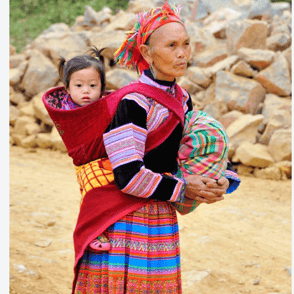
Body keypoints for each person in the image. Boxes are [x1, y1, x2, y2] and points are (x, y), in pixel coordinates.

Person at [42, 2, 240, 293]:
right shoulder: (133, 102)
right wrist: (184, 189)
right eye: (171, 45)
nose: (182, 53)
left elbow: (179, 156)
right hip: (121, 220)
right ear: (147, 53)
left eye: (186, 44)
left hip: (160, 219)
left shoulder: (181, 99)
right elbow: (128, 175)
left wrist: (218, 178)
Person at [57, 47, 111, 251]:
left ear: (102, 88)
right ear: (68, 89)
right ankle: (91, 233)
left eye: (92, 85)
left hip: (109, 159)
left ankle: (103, 228)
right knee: (90, 192)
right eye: (78, 85)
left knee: (109, 192)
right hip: (85, 165)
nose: (86, 91)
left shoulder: (108, 107)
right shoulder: (67, 111)